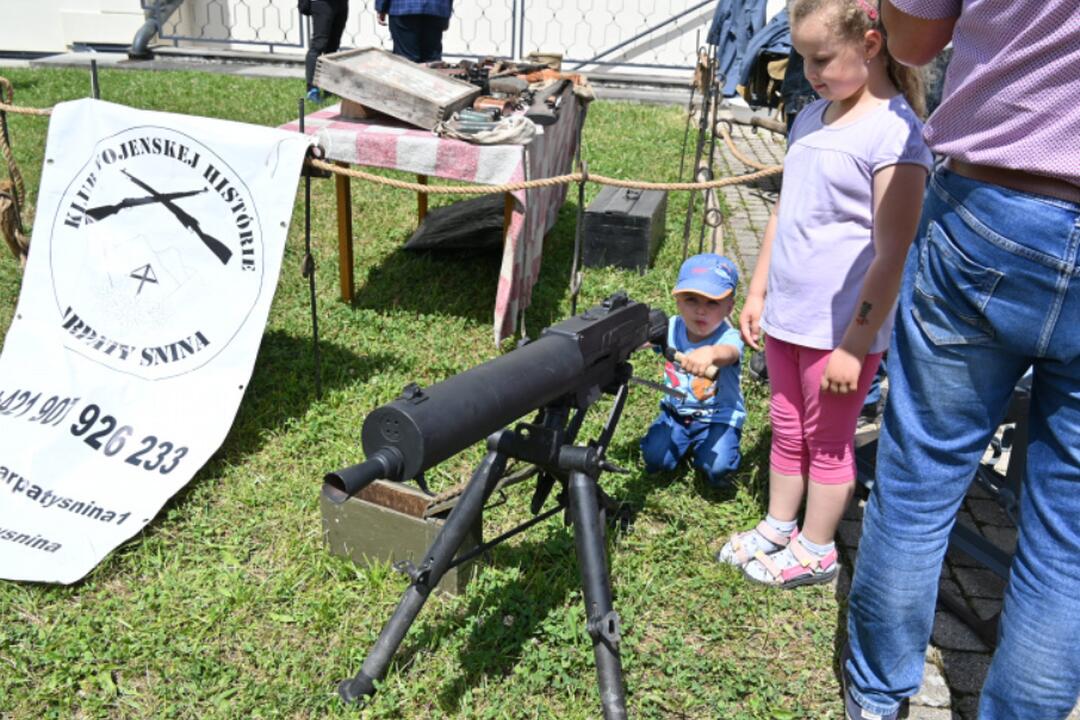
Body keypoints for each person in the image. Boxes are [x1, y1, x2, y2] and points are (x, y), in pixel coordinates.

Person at [844, 1, 1080, 718]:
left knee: (920, 480)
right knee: (1069, 539)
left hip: (995, 206)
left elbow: (913, 40)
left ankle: (877, 698)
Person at [717, 0, 931, 588]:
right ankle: (777, 525)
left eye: (821, 58)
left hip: (839, 332)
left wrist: (855, 346)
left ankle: (817, 548)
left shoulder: (895, 134)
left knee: (829, 441)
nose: (808, 73)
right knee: (787, 426)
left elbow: (892, 252)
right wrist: (758, 290)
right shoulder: (812, 117)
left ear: (870, 45)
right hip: (789, 318)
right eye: (802, 59)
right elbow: (784, 211)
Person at [639, 254, 746, 488]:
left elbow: (730, 352)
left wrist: (711, 353)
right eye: (691, 300)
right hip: (675, 415)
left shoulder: (729, 337)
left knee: (716, 466)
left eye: (712, 303)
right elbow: (641, 341)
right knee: (655, 458)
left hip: (717, 419)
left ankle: (714, 454)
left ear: (729, 307)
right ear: (677, 301)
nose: (700, 310)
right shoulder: (671, 328)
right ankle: (681, 444)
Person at [375, 0, 452, 64]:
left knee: (406, 60)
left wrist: (381, 7)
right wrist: (446, 12)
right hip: (436, 7)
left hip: (403, 7)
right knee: (432, 60)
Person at [302, 0, 349, 103]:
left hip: (341, 3)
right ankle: (312, 89)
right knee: (319, 45)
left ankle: (329, 87)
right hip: (322, 3)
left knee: (333, 47)